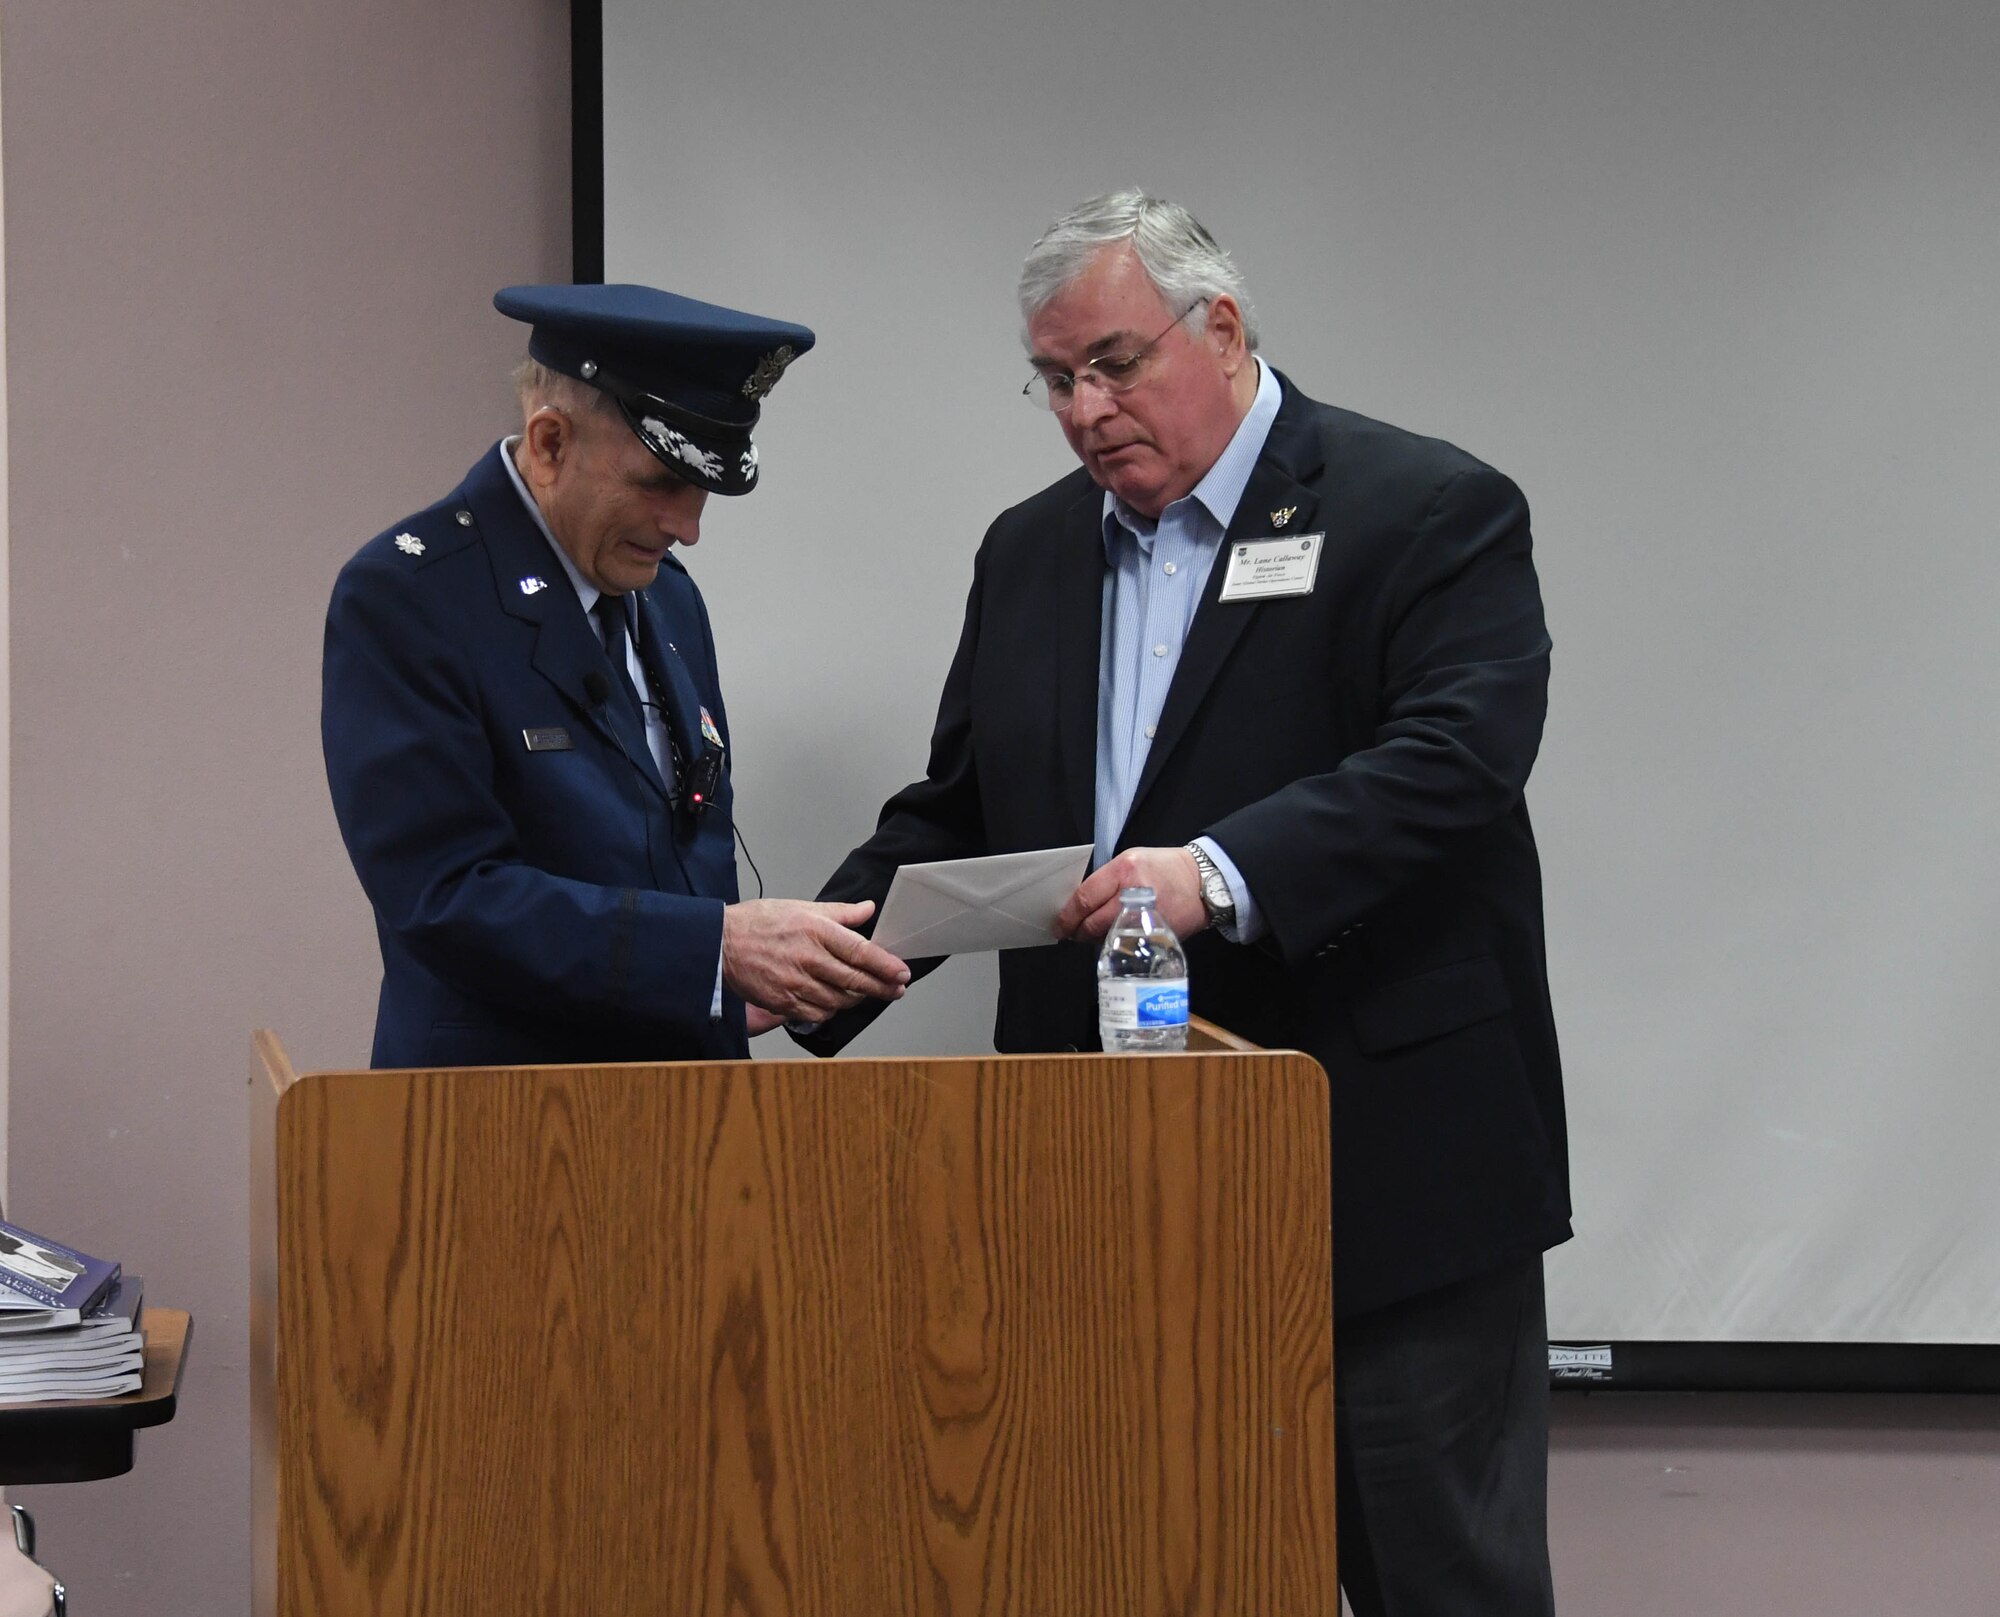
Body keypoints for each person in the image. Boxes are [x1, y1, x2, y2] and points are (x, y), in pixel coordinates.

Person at [797, 193, 1569, 1614]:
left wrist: (1212, 876)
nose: (1085, 409)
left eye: (1114, 362)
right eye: (1054, 380)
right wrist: (827, 942)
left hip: (1378, 1166)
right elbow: (970, 804)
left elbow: (1454, 761)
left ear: (1220, 327)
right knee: (1133, 1562)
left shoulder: (1425, 510)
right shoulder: (1030, 550)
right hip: (1096, 1180)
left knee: (1435, 1576)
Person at [323, 282, 909, 1070]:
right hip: (494, 1126)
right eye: (659, 484)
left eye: (702, 490)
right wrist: (713, 950)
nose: (689, 528)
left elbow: (679, 849)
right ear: (549, 442)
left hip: (687, 1118)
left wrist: (726, 981)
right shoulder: (408, 596)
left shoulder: (666, 596)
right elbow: (445, 896)